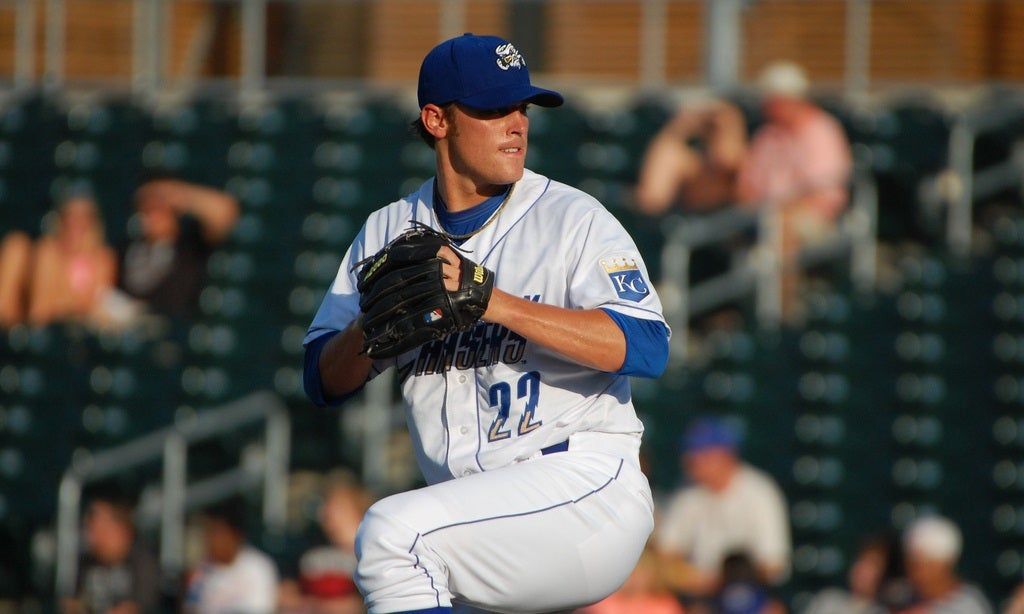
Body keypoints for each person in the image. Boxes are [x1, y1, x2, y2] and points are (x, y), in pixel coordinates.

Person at [303, 33, 670, 613]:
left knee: (393, 536)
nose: (516, 124)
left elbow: (647, 347)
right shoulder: (387, 231)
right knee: (415, 553)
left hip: (583, 486)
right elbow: (322, 381)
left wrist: (491, 300)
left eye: (522, 108)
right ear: (436, 120)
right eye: (494, 109)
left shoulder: (572, 218)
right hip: (476, 514)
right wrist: (371, 329)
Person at [655, 417, 790, 599]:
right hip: (700, 598)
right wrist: (692, 578)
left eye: (702, 454)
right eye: (691, 453)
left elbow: (774, 565)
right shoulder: (688, 494)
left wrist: (727, 580)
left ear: (726, 455)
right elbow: (666, 554)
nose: (693, 460)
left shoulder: (759, 492)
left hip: (750, 594)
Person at [120, 178, 239, 321]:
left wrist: (179, 194)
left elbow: (225, 212)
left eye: (157, 208)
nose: (151, 217)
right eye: (146, 210)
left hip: (177, 326)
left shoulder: (190, 244)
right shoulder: (128, 248)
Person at [0, 195, 119, 329]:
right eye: (69, 215)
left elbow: (98, 305)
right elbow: (40, 311)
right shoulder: (47, 252)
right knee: (15, 246)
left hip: (81, 330)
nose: (75, 222)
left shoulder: (103, 257)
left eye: (84, 217)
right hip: (46, 329)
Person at [280, 471, 372, 613]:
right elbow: (287, 594)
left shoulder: (372, 555)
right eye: (326, 505)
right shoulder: (308, 550)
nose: (326, 512)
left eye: (337, 506)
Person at [63, 492, 161, 614]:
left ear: (119, 527)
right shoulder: (86, 563)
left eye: (98, 525)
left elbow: (138, 606)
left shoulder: (145, 563)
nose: (91, 534)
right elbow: (73, 602)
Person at [183, 500, 278, 613]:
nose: (211, 540)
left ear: (235, 535)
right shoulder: (202, 570)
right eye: (208, 533)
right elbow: (190, 609)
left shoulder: (258, 567)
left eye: (217, 533)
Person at [898, 516, 991, 614]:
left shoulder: (971, 606)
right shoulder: (900, 596)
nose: (919, 572)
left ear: (946, 565)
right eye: (913, 563)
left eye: (928, 564)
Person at [804, 533, 912, 614]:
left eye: (873, 565)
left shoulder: (881, 611)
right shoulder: (828, 600)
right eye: (861, 560)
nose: (861, 569)